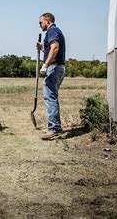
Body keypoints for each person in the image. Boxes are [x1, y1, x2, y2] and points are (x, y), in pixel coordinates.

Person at [37, 12, 66, 140]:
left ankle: (54, 128)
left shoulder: (52, 30)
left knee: (50, 97)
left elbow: (55, 48)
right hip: (59, 67)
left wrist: (45, 65)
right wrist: (43, 47)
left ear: (48, 21)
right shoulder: (55, 31)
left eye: (40, 22)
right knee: (52, 96)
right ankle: (56, 127)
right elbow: (51, 48)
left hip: (54, 67)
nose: (40, 25)